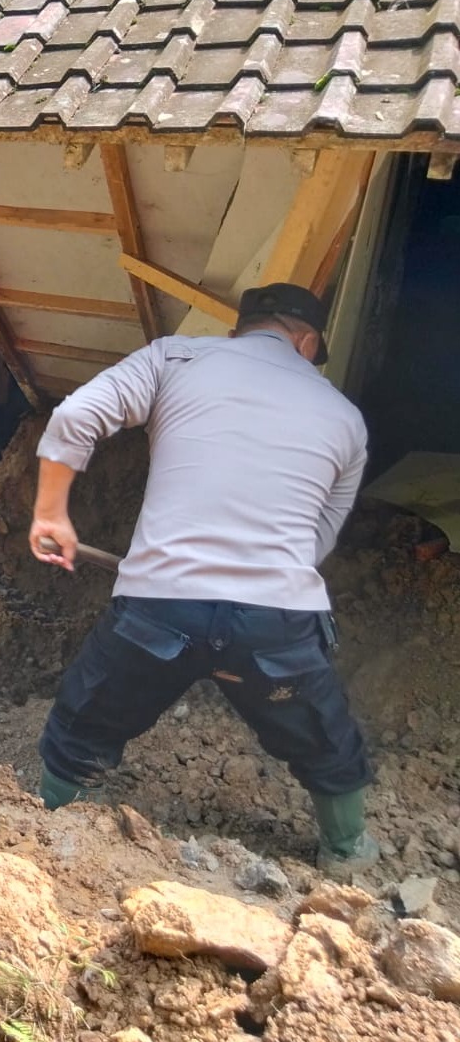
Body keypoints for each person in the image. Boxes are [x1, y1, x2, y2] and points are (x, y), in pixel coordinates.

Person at [28, 282, 379, 876]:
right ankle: (348, 852)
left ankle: (47, 835)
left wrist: (51, 512)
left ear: (240, 330)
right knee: (325, 737)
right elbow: (317, 538)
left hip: (160, 609)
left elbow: (77, 414)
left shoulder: (177, 357)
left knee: (82, 721)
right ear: (307, 341)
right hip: (275, 621)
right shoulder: (345, 418)